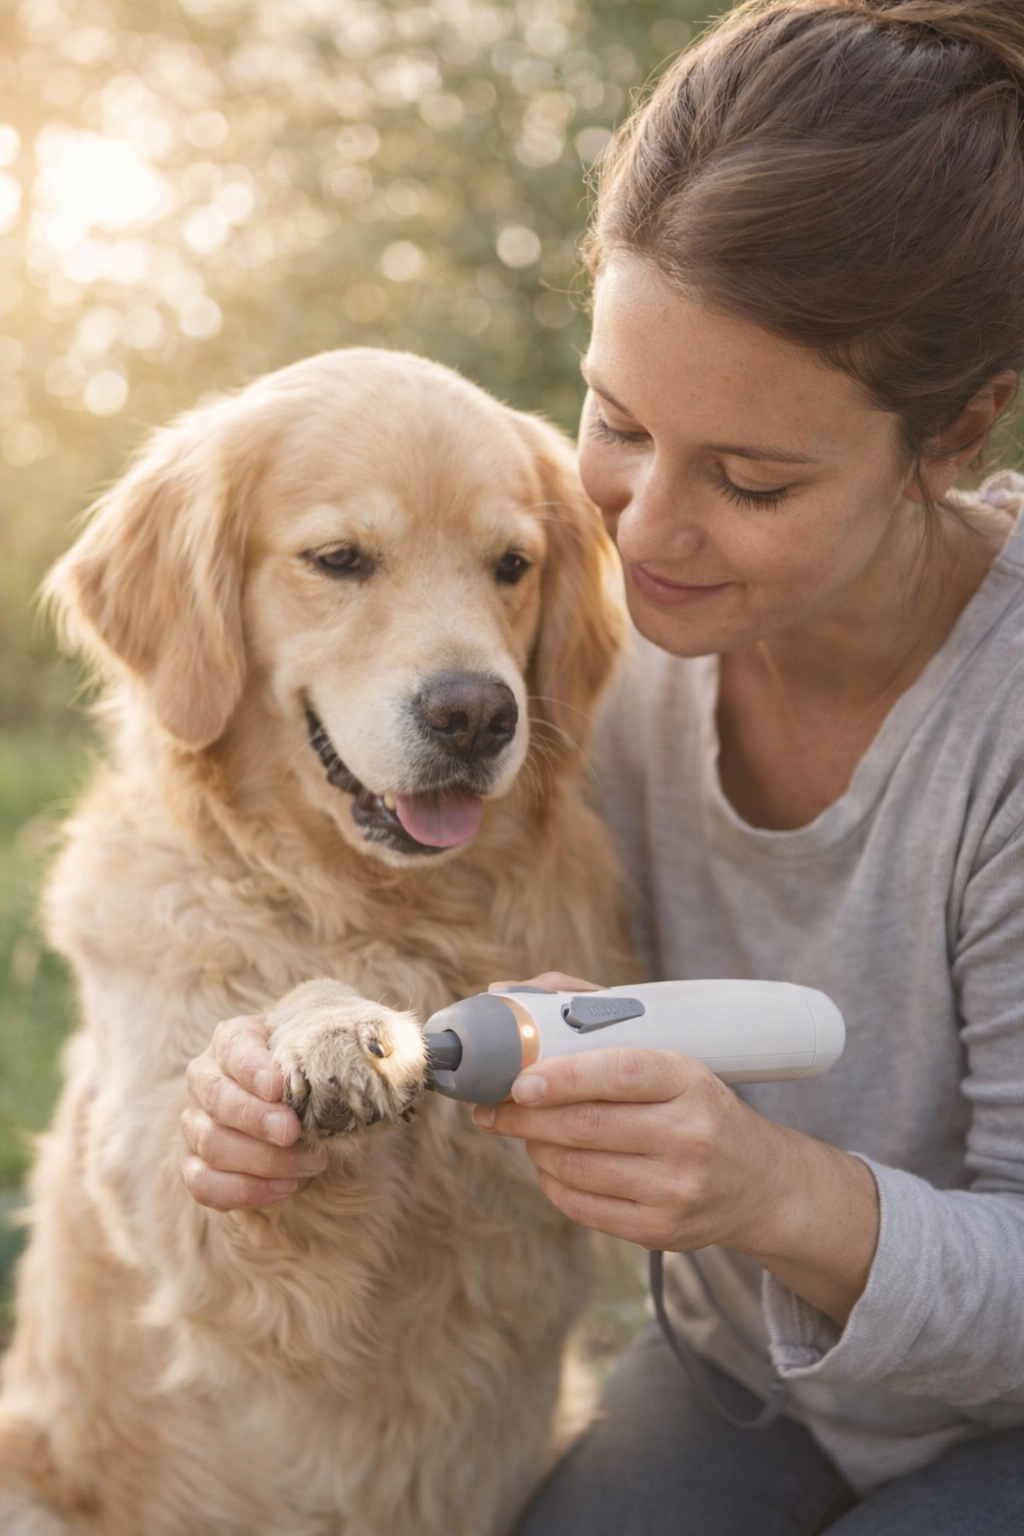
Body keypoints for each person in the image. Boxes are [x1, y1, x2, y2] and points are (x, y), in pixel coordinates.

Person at [180, 2, 1024, 1529]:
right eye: (617, 424)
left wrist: (772, 1194)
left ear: (954, 434)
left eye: (753, 480)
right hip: (738, 1376)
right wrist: (270, 1067)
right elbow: (362, 923)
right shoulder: (588, 659)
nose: (642, 533)